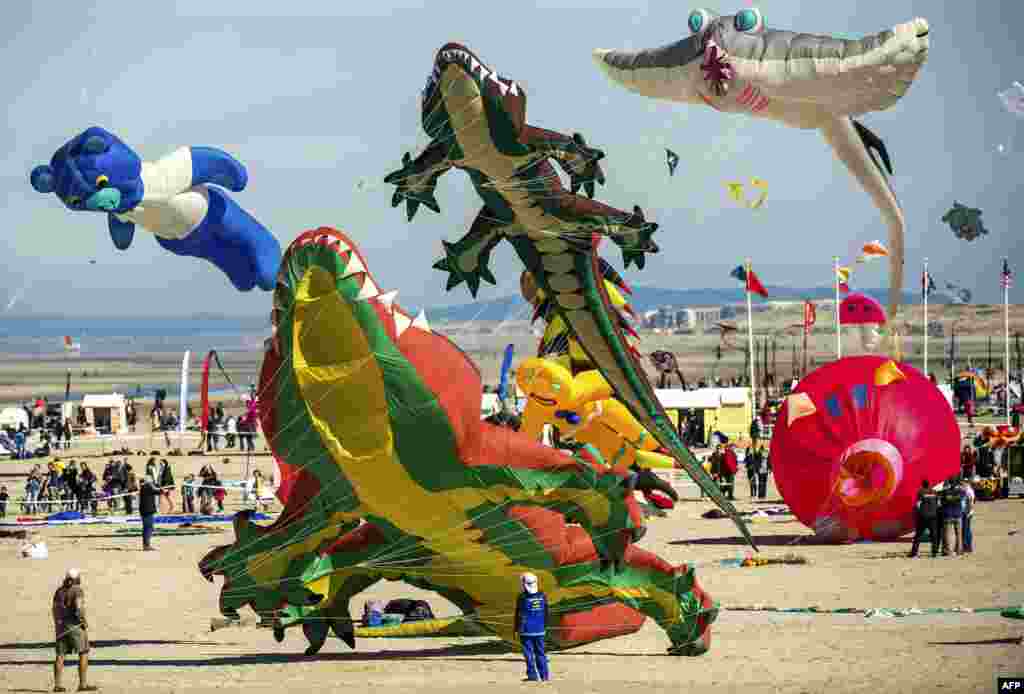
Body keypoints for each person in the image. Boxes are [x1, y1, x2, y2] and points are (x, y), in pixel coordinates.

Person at [52, 568, 97, 692]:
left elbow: (54, 609)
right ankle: (82, 684)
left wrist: (57, 624)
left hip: (61, 626)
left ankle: (57, 685)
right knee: (83, 652)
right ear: (76, 578)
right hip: (75, 626)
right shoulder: (77, 590)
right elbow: (78, 608)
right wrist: (83, 621)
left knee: (60, 655)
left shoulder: (59, 591)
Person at [514, 572, 550, 682]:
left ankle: (532, 676)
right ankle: (544, 676)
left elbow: (519, 614)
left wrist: (516, 628)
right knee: (541, 653)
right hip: (540, 630)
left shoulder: (522, 597)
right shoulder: (543, 595)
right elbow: (546, 612)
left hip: (526, 630)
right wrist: (545, 626)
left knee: (528, 653)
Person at [909, 479, 941, 558]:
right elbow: (938, 504)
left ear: (922, 485)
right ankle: (934, 552)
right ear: (930, 484)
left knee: (918, 536)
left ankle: (914, 553)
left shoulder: (920, 492)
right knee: (934, 535)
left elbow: (918, 504)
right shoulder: (934, 492)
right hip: (933, 516)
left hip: (923, 516)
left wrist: (919, 512)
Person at [940, 478, 964, 556]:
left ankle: (948, 551)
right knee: (959, 534)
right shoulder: (960, 492)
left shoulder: (945, 492)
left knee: (947, 534)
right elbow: (963, 498)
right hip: (958, 514)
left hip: (948, 514)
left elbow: (941, 502)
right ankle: (959, 550)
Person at [139, 474, 160, 551]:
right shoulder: (147, 487)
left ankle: (146, 545)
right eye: (151, 480)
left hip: (146, 510)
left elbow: (156, 490)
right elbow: (157, 491)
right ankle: (146, 545)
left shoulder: (145, 487)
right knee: (148, 528)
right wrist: (163, 491)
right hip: (147, 510)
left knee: (148, 528)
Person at [960, 477, 975, 554]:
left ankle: (966, 547)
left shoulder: (968, 491)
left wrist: (968, 512)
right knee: (967, 529)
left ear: (967, 483)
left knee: (965, 530)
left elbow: (970, 502)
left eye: (963, 482)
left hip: (966, 513)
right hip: (967, 512)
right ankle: (968, 547)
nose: (962, 484)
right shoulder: (966, 490)